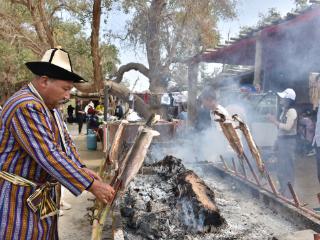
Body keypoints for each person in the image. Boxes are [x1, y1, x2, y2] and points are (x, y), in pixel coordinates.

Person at [0, 47, 115, 239]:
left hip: (39, 197)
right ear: (44, 81)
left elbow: (65, 142)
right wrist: (90, 185)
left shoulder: (49, 107)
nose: (68, 96)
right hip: (17, 198)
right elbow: (48, 154)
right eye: (66, 89)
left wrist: (80, 168)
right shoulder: (25, 105)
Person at [268, 88, 298, 198]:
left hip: (288, 142)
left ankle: (289, 195)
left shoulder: (292, 111)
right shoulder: (284, 111)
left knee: (288, 168)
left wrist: (274, 121)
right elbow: (281, 130)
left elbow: (288, 127)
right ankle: (283, 191)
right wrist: (276, 142)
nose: (280, 99)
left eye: (283, 98)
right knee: (281, 168)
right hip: (282, 141)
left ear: (288, 100)